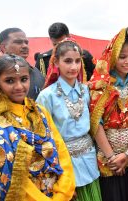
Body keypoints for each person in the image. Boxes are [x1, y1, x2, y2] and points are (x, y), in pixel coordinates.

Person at [0, 54, 75, 201]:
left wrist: (64, 191)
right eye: (9, 81)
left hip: (57, 192)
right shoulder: (0, 121)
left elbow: (61, 149)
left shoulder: (40, 111)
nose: (19, 86)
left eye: (24, 79)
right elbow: (12, 175)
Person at [88, 27, 128, 201]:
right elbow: (95, 123)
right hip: (107, 158)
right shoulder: (99, 85)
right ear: (112, 56)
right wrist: (112, 157)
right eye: (122, 57)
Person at [36, 39, 102, 201]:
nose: (74, 66)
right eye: (67, 61)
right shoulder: (47, 96)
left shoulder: (86, 90)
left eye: (77, 61)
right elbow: (42, 137)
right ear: (56, 62)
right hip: (64, 164)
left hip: (89, 158)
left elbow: (94, 124)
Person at [0, 28, 45, 100]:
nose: (25, 46)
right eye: (18, 42)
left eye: (26, 42)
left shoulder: (36, 72)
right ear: (4, 47)